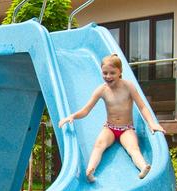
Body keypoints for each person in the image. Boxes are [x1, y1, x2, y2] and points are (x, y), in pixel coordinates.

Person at [58, 54, 165, 182]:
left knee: (133, 148)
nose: (108, 76)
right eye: (105, 73)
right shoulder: (102, 90)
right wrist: (72, 116)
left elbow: (142, 107)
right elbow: (86, 110)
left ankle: (143, 167)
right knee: (99, 145)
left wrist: (151, 123)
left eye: (112, 73)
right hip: (109, 128)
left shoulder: (128, 87)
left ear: (120, 72)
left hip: (126, 129)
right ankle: (90, 170)